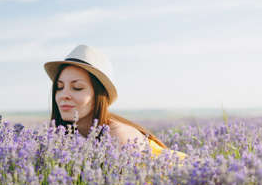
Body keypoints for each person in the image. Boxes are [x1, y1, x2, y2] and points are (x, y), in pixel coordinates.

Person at [43, 44, 186, 160]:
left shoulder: (116, 136)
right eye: (59, 87)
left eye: (77, 87)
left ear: (99, 95)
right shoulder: (71, 135)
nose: (64, 95)